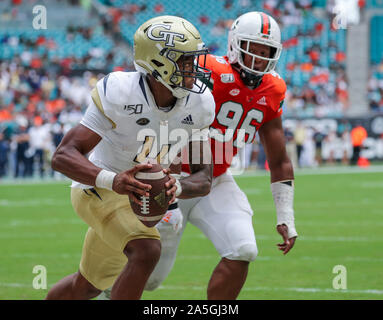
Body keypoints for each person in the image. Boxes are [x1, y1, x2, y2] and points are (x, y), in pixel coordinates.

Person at [101, 11, 298, 300]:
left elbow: (279, 159)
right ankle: (108, 294)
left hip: (215, 180)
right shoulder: (206, 68)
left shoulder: (273, 88)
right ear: (233, 43)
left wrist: (286, 215)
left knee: (243, 249)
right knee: (150, 279)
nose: (257, 59)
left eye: (264, 52)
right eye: (251, 49)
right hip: (168, 180)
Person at [45, 15, 215, 300]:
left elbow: (204, 177)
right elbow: (63, 156)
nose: (193, 69)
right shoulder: (120, 92)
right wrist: (113, 181)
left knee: (88, 285)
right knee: (146, 251)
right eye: (185, 62)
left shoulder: (200, 103)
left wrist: (179, 187)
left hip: (138, 198)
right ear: (159, 62)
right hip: (98, 187)